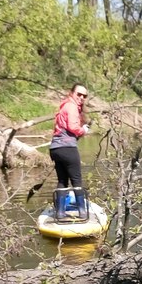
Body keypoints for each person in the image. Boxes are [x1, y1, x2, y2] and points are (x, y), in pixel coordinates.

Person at [49, 84, 91, 217]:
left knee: (62, 180)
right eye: (79, 94)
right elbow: (73, 127)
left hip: (55, 148)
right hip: (67, 148)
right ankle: (83, 213)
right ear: (71, 93)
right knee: (77, 180)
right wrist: (83, 130)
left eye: (84, 96)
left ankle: (60, 213)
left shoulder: (64, 106)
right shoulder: (72, 107)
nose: (81, 98)